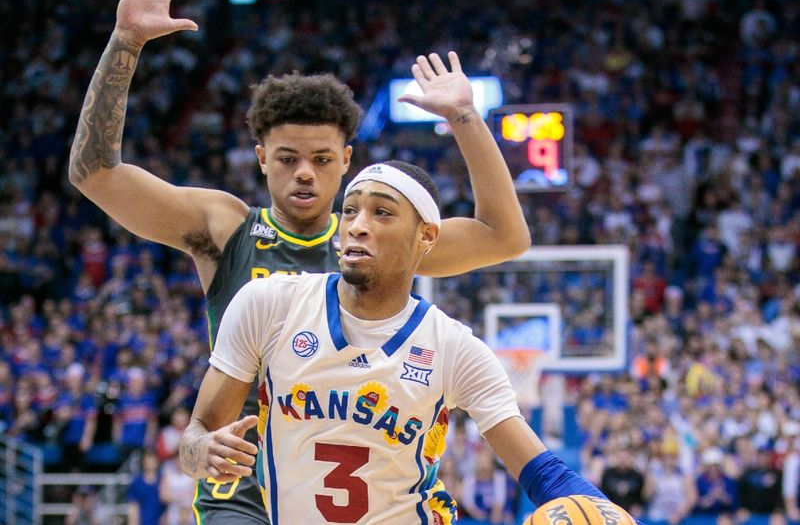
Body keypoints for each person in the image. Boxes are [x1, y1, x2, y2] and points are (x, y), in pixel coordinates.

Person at [68, 0, 530, 525]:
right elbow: (95, 175)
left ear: (346, 160)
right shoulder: (226, 227)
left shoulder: (378, 242)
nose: (305, 172)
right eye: (287, 158)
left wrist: (466, 118)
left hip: (357, 489)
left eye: (320, 158)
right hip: (244, 485)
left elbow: (504, 236)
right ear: (262, 159)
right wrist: (126, 43)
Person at [178, 161, 628, 524]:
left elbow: (543, 473)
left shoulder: (454, 348)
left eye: (382, 212)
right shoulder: (268, 304)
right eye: (350, 210)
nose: (356, 225)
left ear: (426, 236)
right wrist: (203, 451)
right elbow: (196, 440)